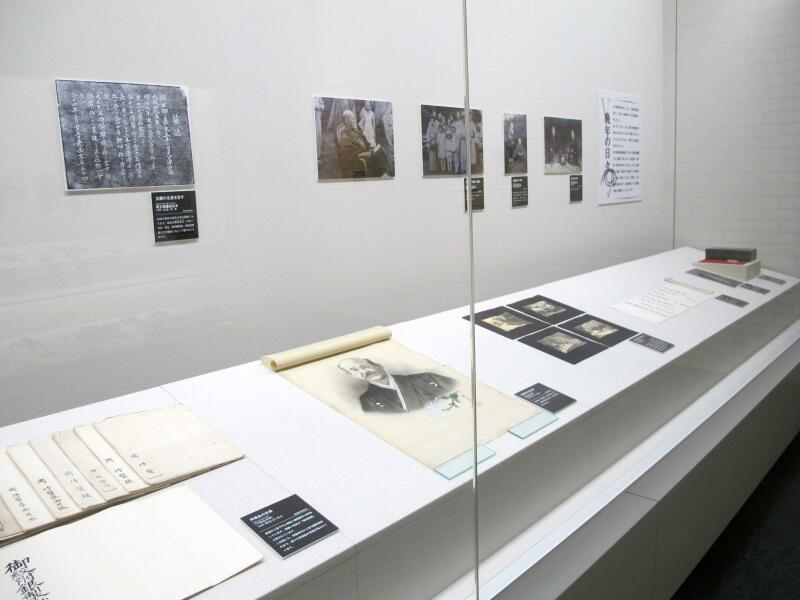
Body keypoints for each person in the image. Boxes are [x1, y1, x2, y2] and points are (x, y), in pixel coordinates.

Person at [338, 357, 458, 413]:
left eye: (364, 366)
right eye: (355, 370)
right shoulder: (368, 400)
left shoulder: (426, 378)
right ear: (352, 376)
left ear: (377, 365)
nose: (364, 372)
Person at [338, 109, 389, 177]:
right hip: (357, 157)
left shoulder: (356, 129)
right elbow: (349, 154)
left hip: (365, 150)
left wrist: (371, 148)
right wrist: (368, 153)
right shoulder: (345, 134)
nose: (355, 120)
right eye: (352, 119)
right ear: (346, 120)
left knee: (380, 150)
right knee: (377, 154)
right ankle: (381, 175)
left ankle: (382, 174)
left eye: (354, 118)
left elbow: (364, 140)